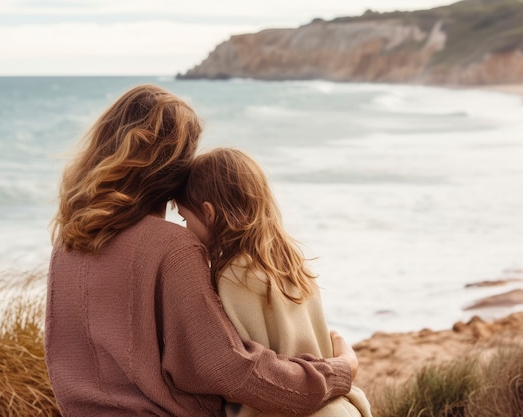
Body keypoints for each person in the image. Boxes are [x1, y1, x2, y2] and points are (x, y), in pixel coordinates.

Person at [45, 84, 358, 417]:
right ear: (174, 169)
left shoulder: (67, 244)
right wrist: (340, 371)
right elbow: (234, 371)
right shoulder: (172, 247)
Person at [175, 147, 373, 417]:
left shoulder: (233, 277)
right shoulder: (291, 261)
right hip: (337, 406)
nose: (185, 230)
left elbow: (240, 373)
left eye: (185, 219)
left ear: (209, 213)